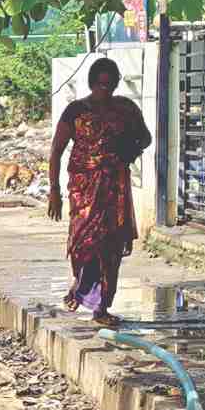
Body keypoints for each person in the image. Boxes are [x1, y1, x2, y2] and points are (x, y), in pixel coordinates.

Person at [47, 57, 152, 327]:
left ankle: (102, 306)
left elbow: (145, 137)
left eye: (109, 84)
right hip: (83, 190)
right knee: (83, 244)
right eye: (100, 84)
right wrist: (54, 192)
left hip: (115, 188)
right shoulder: (76, 111)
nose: (104, 89)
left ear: (116, 84)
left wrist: (128, 151)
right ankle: (80, 287)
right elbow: (56, 152)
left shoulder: (126, 109)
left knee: (112, 246)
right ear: (92, 83)